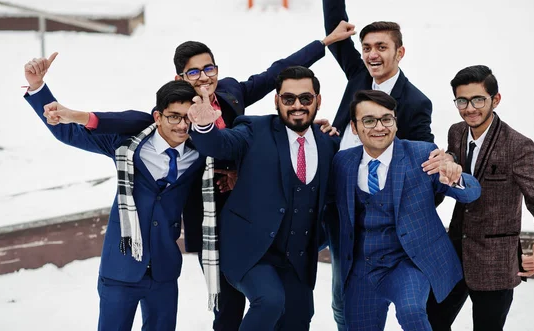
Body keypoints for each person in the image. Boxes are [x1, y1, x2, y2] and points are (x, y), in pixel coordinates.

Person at [82, 36, 350, 330]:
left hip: (255, 215)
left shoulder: (230, 94)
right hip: (213, 225)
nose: (203, 76)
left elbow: (275, 75)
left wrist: (323, 43)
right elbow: (136, 123)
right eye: (193, 72)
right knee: (230, 310)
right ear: (180, 78)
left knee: (282, 307)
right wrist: (85, 118)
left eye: (208, 68)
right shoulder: (176, 114)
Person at [23, 53, 205, 331]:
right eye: (173, 117)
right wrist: (38, 86)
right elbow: (68, 133)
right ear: (158, 116)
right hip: (120, 268)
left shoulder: (200, 155)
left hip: (165, 272)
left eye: (186, 118)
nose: (182, 125)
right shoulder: (126, 144)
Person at [321, 0, 437, 328]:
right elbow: (336, 29)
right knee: (342, 293)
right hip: (340, 201)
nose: (372, 54)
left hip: (384, 212)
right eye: (367, 46)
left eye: (381, 47)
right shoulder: (358, 74)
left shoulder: (415, 102)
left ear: (399, 52)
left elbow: (423, 158)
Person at [186, 66, 339, 330]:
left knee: (299, 316)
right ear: (277, 100)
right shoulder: (254, 129)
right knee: (269, 301)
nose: (297, 106)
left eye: (306, 98)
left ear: (318, 100)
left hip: (297, 256)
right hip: (249, 251)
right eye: (288, 99)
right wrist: (204, 126)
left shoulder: (328, 144)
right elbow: (219, 144)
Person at [332, 90, 481, 331]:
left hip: (407, 262)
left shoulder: (421, 155)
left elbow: (472, 192)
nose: (379, 127)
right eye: (369, 120)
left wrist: (455, 178)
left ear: (395, 122)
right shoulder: (342, 162)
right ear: (354, 127)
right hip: (362, 266)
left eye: (386, 119)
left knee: (412, 311)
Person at [427, 65, 534, 331]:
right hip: (453, 252)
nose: (470, 108)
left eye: (478, 99)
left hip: (495, 262)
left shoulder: (518, 146)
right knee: (431, 321)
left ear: (495, 100)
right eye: (462, 100)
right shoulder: (456, 132)